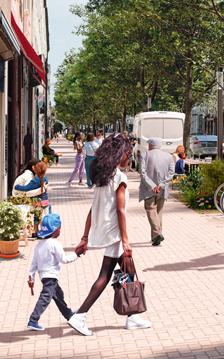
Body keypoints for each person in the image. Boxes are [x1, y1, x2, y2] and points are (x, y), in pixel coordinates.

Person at [69, 134, 151, 336]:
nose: (129, 159)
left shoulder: (103, 178)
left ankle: (133, 316)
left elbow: (92, 209)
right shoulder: (120, 178)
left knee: (129, 270)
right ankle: (80, 315)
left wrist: (85, 237)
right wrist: (125, 241)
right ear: (121, 154)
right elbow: (120, 211)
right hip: (115, 234)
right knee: (105, 276)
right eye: (128, 155)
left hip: (106, 231)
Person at [27, 214, 80, 331]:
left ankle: (69, 315)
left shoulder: (38, 245)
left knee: (58, 295)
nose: (60, 231)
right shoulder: (55, 244)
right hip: (51, 277)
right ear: (55, 230)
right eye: (59, 228)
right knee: (45, 298)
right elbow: (64, 260)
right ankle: (33, 319)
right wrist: (76, 254)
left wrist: (31, 278)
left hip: (44, 277)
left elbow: (34, 264)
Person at [139, 137, 175, 246]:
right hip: (162, 190)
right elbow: (171, 173)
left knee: (150, 210)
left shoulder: (144, 155)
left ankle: (158, 234)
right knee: (158, 212)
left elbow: (143, 172)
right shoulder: (169, 156)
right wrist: (161, 185)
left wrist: (152, 186)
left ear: (150, 145)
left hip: (148, 189)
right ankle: (155, 237)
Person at [14, 161, 50, 238]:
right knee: (45, 217)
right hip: (45, 201)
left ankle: (36, 231)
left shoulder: (34, 181)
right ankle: (45, 232)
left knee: (36, 217)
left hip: (36, 202)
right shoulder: (46, 179)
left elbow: (25, 188)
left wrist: (17, 187)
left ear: (35, 170)